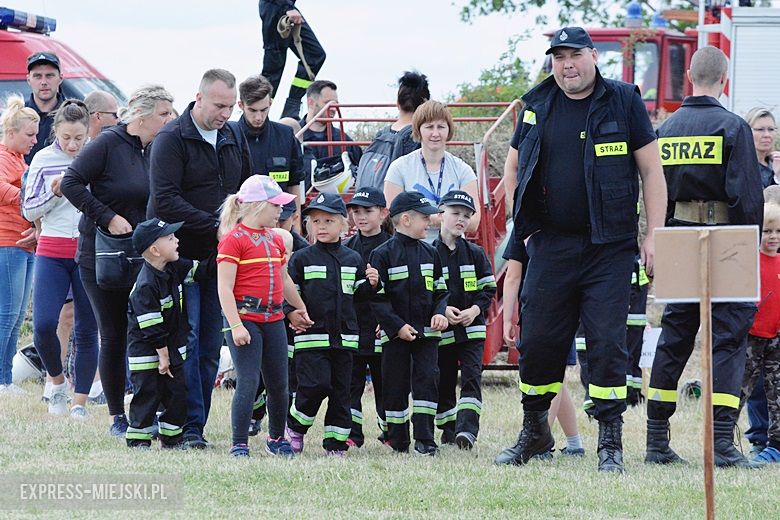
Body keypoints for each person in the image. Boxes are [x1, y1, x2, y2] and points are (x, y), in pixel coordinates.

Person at [494, 27, 667, 473]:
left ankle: (610, 442)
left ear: (593, 56)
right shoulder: (537, 104)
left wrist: (654, 235)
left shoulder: (623, 101)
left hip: (609, 247)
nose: (567, 65)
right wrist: (521, 227)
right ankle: (535, 432)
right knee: (538, 341)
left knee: (607, 343)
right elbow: (513, 166)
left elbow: (652, 171)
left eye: (574, 55)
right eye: (559, 57)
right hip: (550, 244)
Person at [645, 46, 764, 469]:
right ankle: (722, 443)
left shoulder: (666, 129)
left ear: (689, 77)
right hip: (727, 237)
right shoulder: (733, 127)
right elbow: (747, 197)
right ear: (723, 80)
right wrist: (749, 248)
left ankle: (656, 439)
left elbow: (655, 189)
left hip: (677, 234)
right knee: (728, 339)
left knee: (675, 335)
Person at [61, 85, 175, 436]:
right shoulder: (108, 143)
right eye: (163, 114)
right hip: (102, 255)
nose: (169, 120)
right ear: (141, 115)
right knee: (113, 334)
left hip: (144, 257)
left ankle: (151, 410)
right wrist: (107, 216)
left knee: (147, 330)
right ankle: (116, 416)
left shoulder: (156, 148)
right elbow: (70, 183)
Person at [149, 69, 251, 449]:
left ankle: (197, 424)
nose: (225, 113)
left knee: (209, 345)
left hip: (220, 256)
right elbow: (165, 199)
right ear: (199, 97)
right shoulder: (171, 139)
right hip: (180, 255)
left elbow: (244, 189)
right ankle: (183, 423)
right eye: (219, 105)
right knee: (187, 340)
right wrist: (215, 225)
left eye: (230, 107)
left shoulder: (233, 135)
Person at [216, 175, 307, 458]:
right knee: (248, 381)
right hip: (245, 319)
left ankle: (276, 438)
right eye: (275, 205)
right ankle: (239, 443)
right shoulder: (233, 241)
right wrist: (236, 325)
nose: (281, 210)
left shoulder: (275, 239)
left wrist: (300, 307)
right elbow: (224, 287)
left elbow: (284, 279)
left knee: (280, 383)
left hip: (273, 319)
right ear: (257, 206)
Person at [284, 193, 379, 456]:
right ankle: (295, 427)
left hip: (345, 340)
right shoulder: (301, 259)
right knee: (315, 386)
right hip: (311, 337)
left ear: (343, 224)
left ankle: (336, 444)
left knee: (341, 393)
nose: (321, 226)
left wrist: (372, 284)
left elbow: (358, 296)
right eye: (316, 221)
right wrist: (290, 313)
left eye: (328, 220)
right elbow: (287, 293)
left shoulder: (353, 259)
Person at [22, 99, 98, 417]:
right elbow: (29, 210)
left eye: (79, 138)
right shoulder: (43, 158)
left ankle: (79, 402)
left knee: (87, 328)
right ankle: (56, 383)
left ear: (88, 132)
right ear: (56, 132)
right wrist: (55, 193)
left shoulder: (96, 156)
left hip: (87, 249)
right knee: (43, 326)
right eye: (66, 137)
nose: (72, 144)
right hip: (51, 250)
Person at [369, 191, 449, 456]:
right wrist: (397, 327)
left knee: (427, 382)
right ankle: (398, 439)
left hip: (427, 335)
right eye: (424, 218)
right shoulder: (382, 254)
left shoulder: (431, 253)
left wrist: (440, 313)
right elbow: (377, 298)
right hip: (395, 337)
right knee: (395, 385)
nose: (429, 222)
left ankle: (425, 439)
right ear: (405, 219)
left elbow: (441, 291)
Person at [125, 219, 206, 450]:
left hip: (171, 349)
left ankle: (172, 439)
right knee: (147, 394)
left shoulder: (173, 268)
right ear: (155, 250)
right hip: (147, 351)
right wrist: (163, 356)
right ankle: (138, 439)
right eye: (170, 238)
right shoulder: (145, 285)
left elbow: (201, 270)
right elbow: (151, 327)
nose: (177, 241)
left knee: (177, 394)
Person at [501, 234, 585, 457]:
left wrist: (507, 319)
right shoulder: (564, 228)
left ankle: (540, 443)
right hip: (562, 310)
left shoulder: (524, 227)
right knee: (556, 379)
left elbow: (512, 277)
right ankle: (574, 444)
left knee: (550, 378)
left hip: (544, 314)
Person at [433, 190, 496, 449]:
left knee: (472, 377)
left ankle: (467, 431)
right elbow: (425, 291)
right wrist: (443, 309)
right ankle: (449, 430)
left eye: (467, 216)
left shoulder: (476, 254)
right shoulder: (428, 253)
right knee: (444, 380)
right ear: (440, 215)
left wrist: (474, 310)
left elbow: (488, 289)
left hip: (472, 330)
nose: (461, 219)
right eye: (455, 213)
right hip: (443, 331)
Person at [248, 199, 308, 436]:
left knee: (285, 376)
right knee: (254, 375)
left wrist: (297, 312)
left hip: (290, 325)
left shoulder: (303, 251)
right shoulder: (254, 243)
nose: (277, 225)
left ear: (294, 218)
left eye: (283, 220)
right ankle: (254, 412)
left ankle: (281, 424)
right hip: (262, 318)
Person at [384, 101, 481, 239]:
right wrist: (443, 218)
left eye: (441, 127)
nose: (435, 133)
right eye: (429, 127)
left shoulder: (463, 170)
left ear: (449, 130)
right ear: (418, 130)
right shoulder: (399, 168)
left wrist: (424, 217)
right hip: (412, 247)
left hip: (452, 247)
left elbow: (474, 221)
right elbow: (392, 217)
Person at [343, 187, 392, 447]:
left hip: (384, 328)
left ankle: (390, 432)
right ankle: (352, 434)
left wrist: (389, 320)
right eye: (356, 211)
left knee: (386, 383)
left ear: (383, 213)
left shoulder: (394, 246)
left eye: (367, 211)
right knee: (351, 384)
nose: (360, 217)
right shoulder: (346, 248)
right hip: (355, 327)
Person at [0, 96, 39, 394]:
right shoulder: (3, 157)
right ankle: (2, 379)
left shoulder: (18, 160)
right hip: (7, 243)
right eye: (30, 135)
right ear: (11, 133)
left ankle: (6, 377)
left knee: (14, 318)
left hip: (23, 245)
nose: (34, 140)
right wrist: (29, 196)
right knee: (7, 315)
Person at [736, 203, 780, 464]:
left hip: (776, 339)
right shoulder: (749, 262)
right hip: (751, 338)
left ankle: (775, 446)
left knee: (777, 392)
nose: (773, 237)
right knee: (739, 389)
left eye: (778, 231)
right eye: (767, 231)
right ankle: (723, 439)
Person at [235, 74, 304, 223]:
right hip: (243, 221)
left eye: (264, 110)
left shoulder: (286, 136)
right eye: (252, 110)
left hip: (281, 219)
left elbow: (294, 182)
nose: (258, 117)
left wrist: (296, 223)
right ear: (241, 105)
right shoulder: (229, 136)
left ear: (271, 103)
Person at [355, 71, 430, 190]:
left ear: (398, 103)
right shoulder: (419, 136)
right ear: (425, 105)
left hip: (372, 197)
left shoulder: (382, 133)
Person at [259, 0, 326, 119]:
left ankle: (291, 109)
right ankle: (255, 114)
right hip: (276, 7)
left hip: (285, 7)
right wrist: (287, 7)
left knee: (314, 55)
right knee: (274, 68)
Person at [300, 80, 363, 187]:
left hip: (336, 197)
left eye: (336, 103)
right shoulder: (293, 137)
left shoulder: (344, 141)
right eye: (328, 103)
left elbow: (361, 173)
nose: (333, 108)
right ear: (311, 102)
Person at [24, 52, 64, 164]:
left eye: (49, 75)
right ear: (28, 80)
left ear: (60, 78)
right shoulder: (15, 115)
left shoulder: (75, 115)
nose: (44, 82)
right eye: (37, 76)